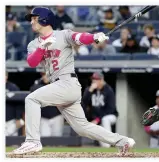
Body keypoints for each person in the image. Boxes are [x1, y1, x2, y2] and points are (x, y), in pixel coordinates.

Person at [12, 7, 135, 155]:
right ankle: (123, 141)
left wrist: (94, 37)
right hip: (58, 86)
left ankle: (32, 141)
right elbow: (32, 62)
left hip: (67, 83)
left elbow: (79, 37)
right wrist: (41, 48)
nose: (31, 21)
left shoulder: (63, 35)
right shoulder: (33, 44)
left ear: (44, 19)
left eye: (34, 18)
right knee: (81, 128)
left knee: (31, 99)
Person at [81, 72, 119, 148]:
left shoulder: (108, 90)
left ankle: (109, 141)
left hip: (110, 116)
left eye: (96, 80)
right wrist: (89, 91)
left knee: (105, 120)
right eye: (93, 80)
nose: (94, 82)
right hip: (96, 118)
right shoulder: (90, 90)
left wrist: (98, 119)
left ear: (102, 80)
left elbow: (110, 109)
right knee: (103, 142)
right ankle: (107, 149)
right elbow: (83, 103)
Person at [30, 72, 64, 137]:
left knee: (58, 138)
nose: (44, 76)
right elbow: (32, 90)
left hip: (57, 116)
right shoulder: (38, 83)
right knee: (44, 139)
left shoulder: (58, 82)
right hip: (43, 117)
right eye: (43, 75)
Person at [5, 72, 25, 136]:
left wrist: (18, 118)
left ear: (6, 76)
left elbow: (19, 104)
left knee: (13, 143)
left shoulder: (13, 87)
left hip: (11, 120)